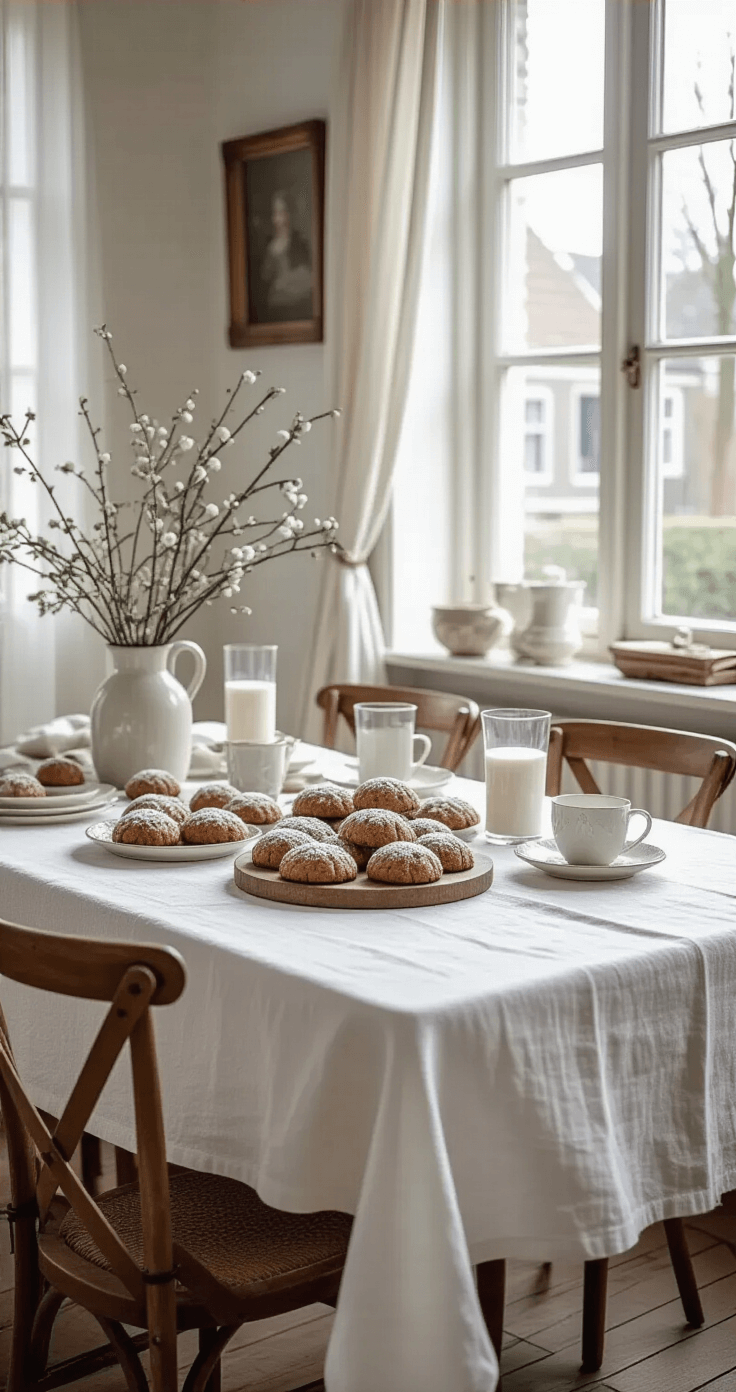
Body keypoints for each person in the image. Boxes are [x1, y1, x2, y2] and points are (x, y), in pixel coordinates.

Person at [258, 189, 312, 320]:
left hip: (300, 306)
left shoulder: (301, 244)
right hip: (278, 309)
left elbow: (309, 277)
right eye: (276, 214)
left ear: (292, 214)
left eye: (283, 213)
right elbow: (267, 283)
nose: (279, 219)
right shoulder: (271, 249)